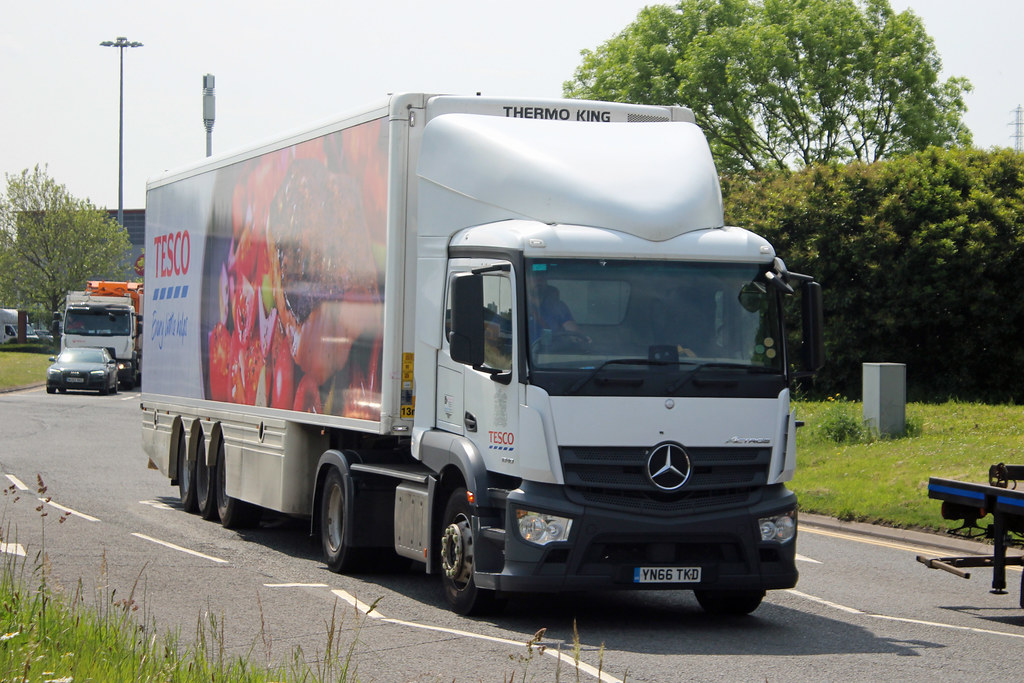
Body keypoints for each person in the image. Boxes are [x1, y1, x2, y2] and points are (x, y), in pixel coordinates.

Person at [527, 273, 589, 344]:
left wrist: (580, 337)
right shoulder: (520, 305)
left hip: (553, 351)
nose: (539, 282)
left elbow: (570, 327)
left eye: (542, 279)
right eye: (535, 280)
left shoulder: (558, 306)